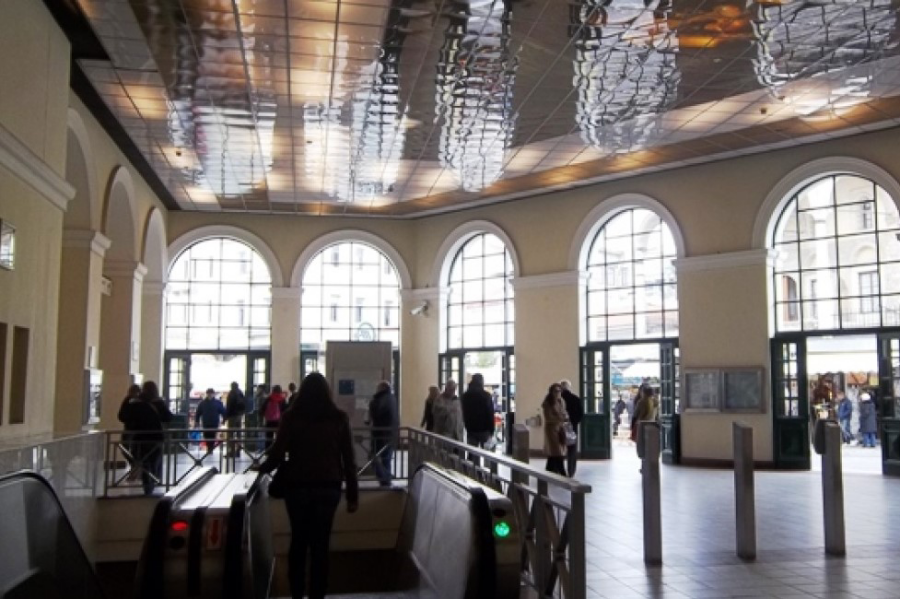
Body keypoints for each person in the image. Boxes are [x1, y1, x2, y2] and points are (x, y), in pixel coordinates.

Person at [257, 373, 359, 599]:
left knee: (298, 541)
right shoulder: (339, 418)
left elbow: (277, 453)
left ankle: (297, 593)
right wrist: (353, 495)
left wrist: (260, 469)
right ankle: (317, 594)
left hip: (297, 486)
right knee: (321, 545)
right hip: (328, 487)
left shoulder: (291, 417)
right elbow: (348, 459)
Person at [118, 381, 172, 495]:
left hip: (140, 438)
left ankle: (148, 486)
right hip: (156, 438)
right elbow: (168, 417)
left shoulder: (136, 403)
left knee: (145, 462)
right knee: (155, 461)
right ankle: (154, 481)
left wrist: (128, 398)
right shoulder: (158, 403)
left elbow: (122, 416)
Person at [368, 380, 399, 487]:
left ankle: (384, 479)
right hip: (390, 434)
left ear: (382, 388)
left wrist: (372, 403)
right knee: (386, 459)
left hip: (380, 434)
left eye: (378, 387)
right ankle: (386, 480)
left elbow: (376, 412)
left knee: (373, 458)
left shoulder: (381, 399)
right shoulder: (392, 398)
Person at [461, 373, 495, 449]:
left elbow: (463, 412)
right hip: (484, 429)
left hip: (471, 429)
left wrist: (466, 425)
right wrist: (492, 430)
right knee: (486, 452)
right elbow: (490, 413)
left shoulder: (465, 396)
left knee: (472, 452)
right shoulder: (486, 396)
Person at [542, 383, 569, 477]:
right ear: (551, 392)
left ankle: (548, 472)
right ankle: (563, 473)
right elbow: (548, 417)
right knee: (557, 452)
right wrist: (560, 418)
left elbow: (564, 412)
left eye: (559, 391)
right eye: (556, 391)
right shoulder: (548, 403)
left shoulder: (562, 401)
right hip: (552, 429)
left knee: (554, 454)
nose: (558, 393)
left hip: (560, 428)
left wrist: (565, 417)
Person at [560, 379, 584, 477]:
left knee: (559, 449)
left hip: (559, 427)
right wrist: (574, 422)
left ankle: (559, 470)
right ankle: (571, 471)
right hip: (572, 427)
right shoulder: (575, 399)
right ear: (569, 387)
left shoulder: (558, 400)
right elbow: (580, 414)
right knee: (572, 449)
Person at [117, 383, 142, 473]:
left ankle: (135, 466)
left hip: (133, 429)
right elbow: (121, 415)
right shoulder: (128, 400)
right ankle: (135, 465)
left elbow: (121, 415)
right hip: (130, 429)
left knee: (134, 449)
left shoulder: (137, 401)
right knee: (125, 448)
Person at [195, 388, 225, 453]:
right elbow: (198, 413)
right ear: (207, 394)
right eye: (209, 393)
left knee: (212, 436)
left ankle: (210, 449)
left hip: (213, 422)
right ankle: (210, 448)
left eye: (211, 393)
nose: (210, 395)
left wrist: (224, 420)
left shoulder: (204, 403)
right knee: (207, 436)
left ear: (213, 394)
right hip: (207, 422)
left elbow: (223, 412)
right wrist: (197, 421)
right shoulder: (203, 403)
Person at [224, 381, 246, 457]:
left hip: (232, 416)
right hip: (239, 416)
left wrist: (225, 417)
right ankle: (238, 450)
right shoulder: (240, 393)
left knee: (230, 434)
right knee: (238, 434)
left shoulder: (231, 393)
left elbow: (229, 406)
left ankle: (231, 451)